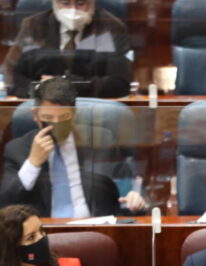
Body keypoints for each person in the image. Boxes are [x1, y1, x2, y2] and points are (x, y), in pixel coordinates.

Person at [0, 76, 145, 217]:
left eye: (64, 118)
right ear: (36, 115)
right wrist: (32, 163)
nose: (56, 124)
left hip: (94, 229)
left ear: (74, 113)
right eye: (48, 118)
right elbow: (5, 202)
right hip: (42, 232)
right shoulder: (17, 149)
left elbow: (126, 187)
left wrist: (135, 198)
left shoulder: (100, 141)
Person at [2, 0, 131, 98]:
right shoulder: (33, 25)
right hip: (42, 106)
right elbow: (11, 77)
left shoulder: (111, 27)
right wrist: (41, 91)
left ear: (92, 3)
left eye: (80, 3)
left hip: (92, 106)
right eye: (66, 3)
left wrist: (63, 86)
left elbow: (120, 83)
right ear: (55, 3)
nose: (73, 10)